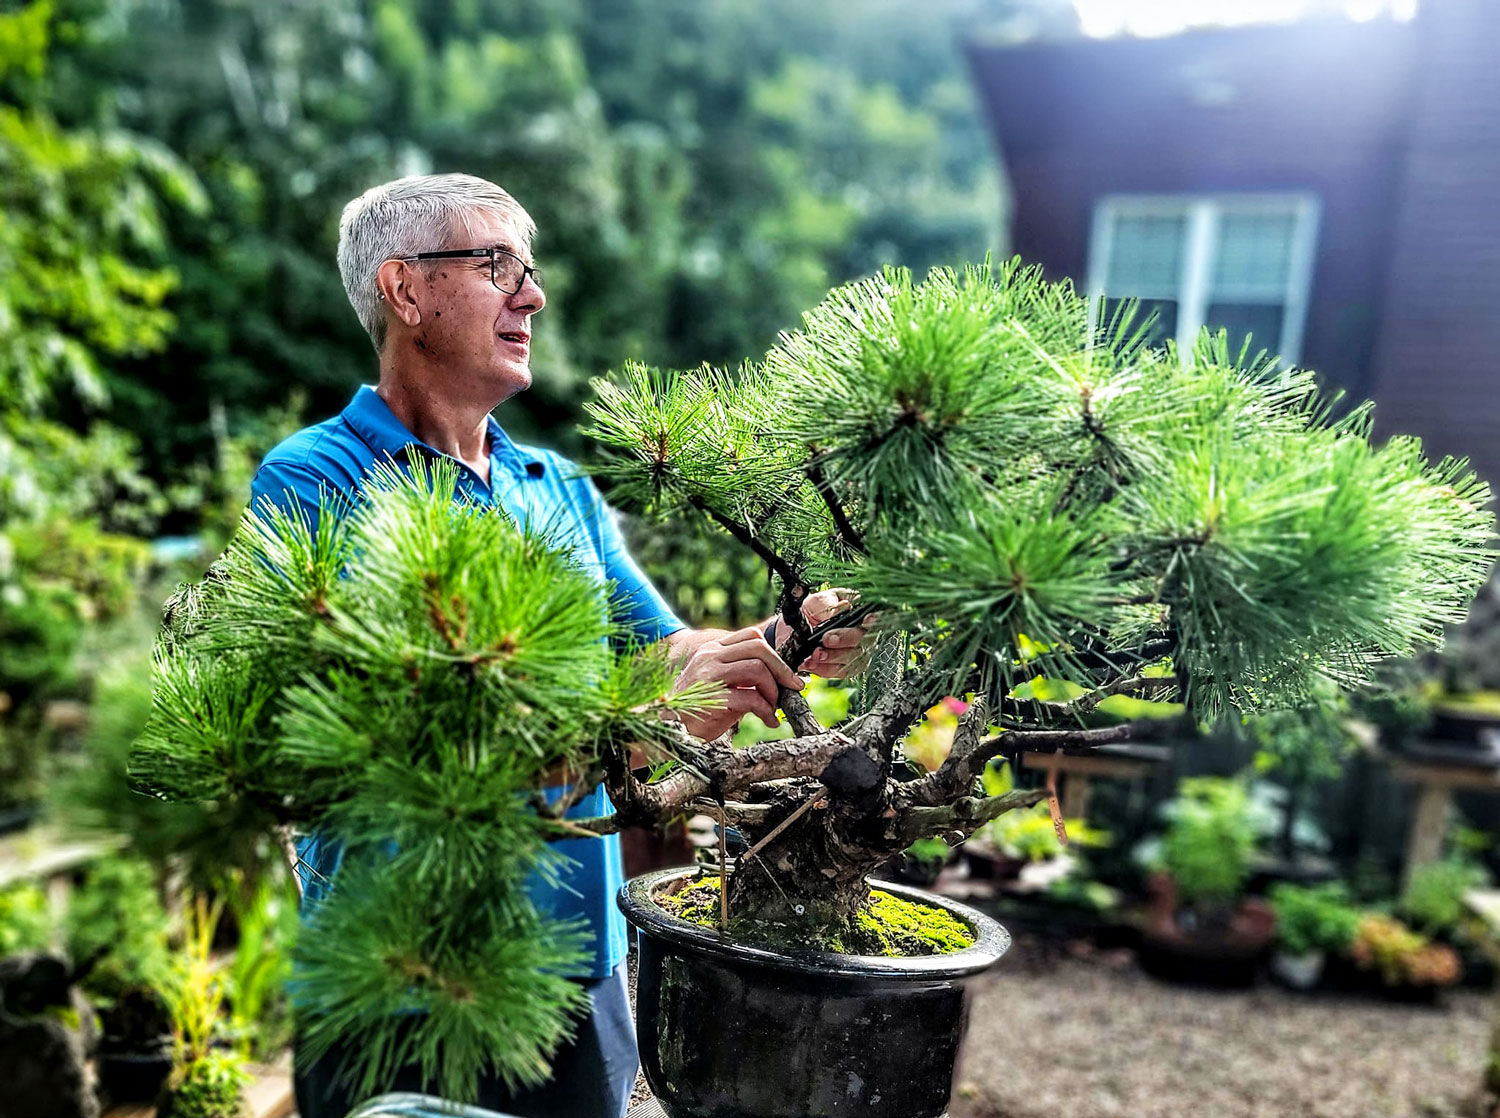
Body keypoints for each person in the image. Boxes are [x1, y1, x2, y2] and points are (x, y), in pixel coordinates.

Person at [249, 173, 873, 1118]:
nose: (532, 296)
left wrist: (796, 632)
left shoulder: (555, 485)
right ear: (405, 289)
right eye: (497, 265)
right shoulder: (318, 479)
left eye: (529, 270)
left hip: (580, 969)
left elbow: (669, 654)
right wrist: (649, 723)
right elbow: (376, 740)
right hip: (400, 979)